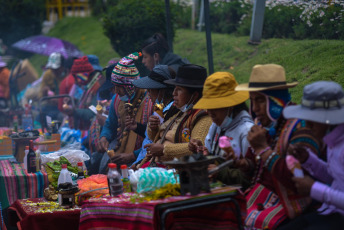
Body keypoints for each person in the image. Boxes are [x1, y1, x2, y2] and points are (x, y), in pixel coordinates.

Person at [234, 64, 321, 229]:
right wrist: (244, 164)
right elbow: (256, 169)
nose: (254, 108)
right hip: (266, 202)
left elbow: (298, 182)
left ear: (277, 100)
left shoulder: (301, 127)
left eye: (260, 100)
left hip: (302, 210)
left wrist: (263, 150)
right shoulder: (266, 125)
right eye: (252, 101)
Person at [277, 81, 344, 230]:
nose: (307, 126)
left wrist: (314, 189)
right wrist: (308, 160)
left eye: (311, 120)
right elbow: (335, 178)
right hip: (330, 211)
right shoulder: (332, 141)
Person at [138, 64, 212, 168]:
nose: (174, 93)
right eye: (174, 89)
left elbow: (198, 148)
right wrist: (153, 128)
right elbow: (158, 137)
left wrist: (163, 150)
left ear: (194, 95)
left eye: (179, 89)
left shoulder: (203, 117)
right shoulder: (180, 112)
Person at [189, 72, 253, 188]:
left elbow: (250, 177)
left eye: (215, 107)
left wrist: (220, 172)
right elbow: (210, 154)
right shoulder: (217, 125)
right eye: (208, 106)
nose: (209, 112)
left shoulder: (247, 132)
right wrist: (201, 151)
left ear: (230, 105)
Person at [96, 52, 153, 174]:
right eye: (114, 86)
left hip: (144, 158)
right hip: (120, 156)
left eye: (119, 87)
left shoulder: (151, 99)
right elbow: (110, 125)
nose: (116, 91)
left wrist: (133, 155)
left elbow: (156, 137)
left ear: (130, 85)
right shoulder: (116, 100)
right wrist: (104, 137)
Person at [128, 64, 178, 169]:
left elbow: (156, 142)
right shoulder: (159, 108)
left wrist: (138, 165)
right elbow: (150, 138)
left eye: (151, 89)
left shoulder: (173, 111)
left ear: (162, 90)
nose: (148, 93)